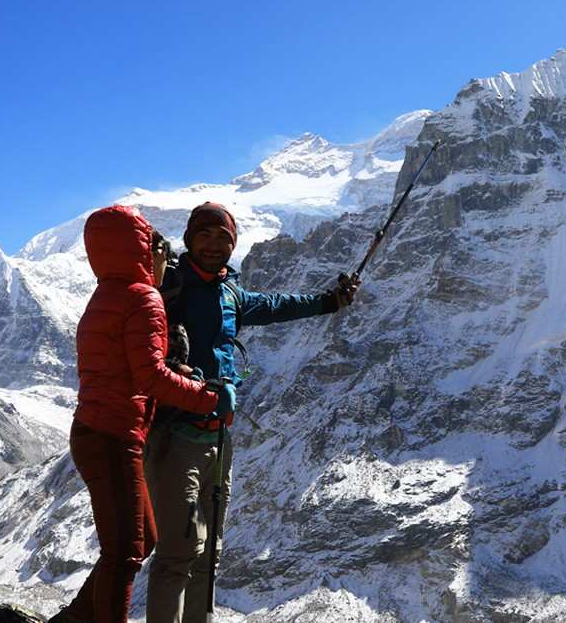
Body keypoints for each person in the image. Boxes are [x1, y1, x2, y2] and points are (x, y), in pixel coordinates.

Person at [144, 202, 359, 623]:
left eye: (223, 238)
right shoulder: (168, 286)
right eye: (204, 235)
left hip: (218, 437)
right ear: (188, 240)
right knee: (178, 553)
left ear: (233, 245)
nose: (213, 245)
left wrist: (330, 302)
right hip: (175, 435)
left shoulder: (231, 293)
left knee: (209, 552)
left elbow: (278, 305)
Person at [51, 205, 228, 623]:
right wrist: (203, 397)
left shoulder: (105, 294)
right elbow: (150, 377)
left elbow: (128, 365)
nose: (166, 260)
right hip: (115, 435)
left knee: (143, 538)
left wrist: (173, 373)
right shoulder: (143, 297)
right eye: (160, 250)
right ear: (145, 251)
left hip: (94, 430)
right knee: (127, 553)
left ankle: (75, 618)